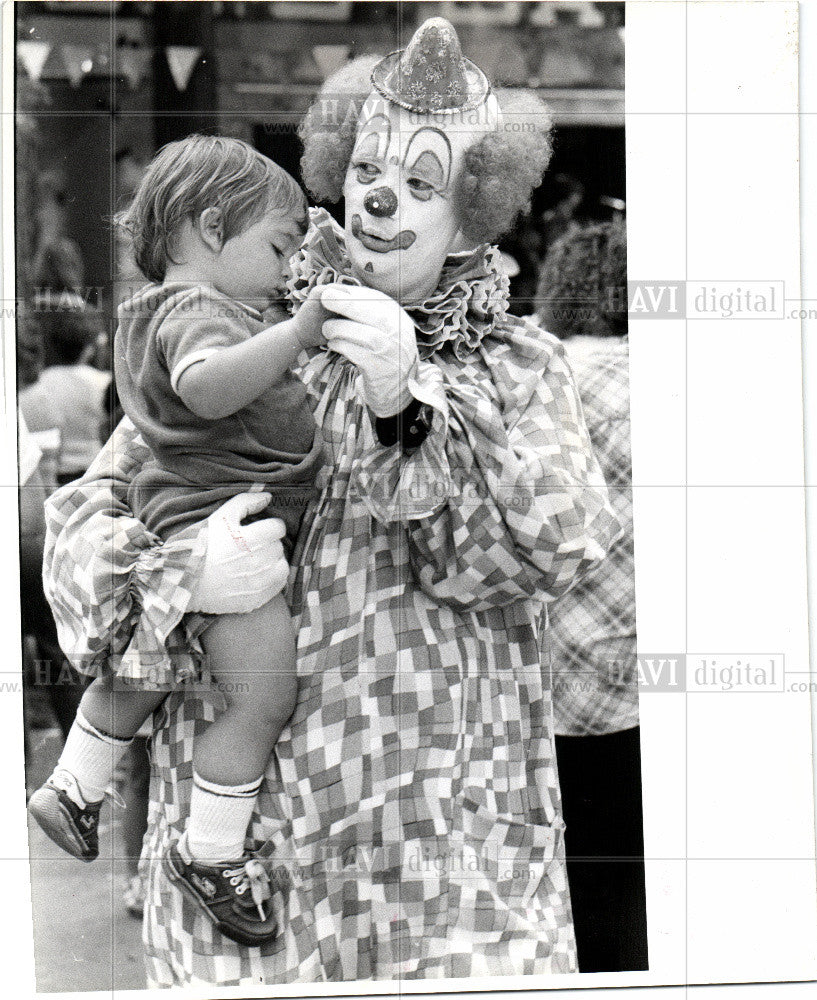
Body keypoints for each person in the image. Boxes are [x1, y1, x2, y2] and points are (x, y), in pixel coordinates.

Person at [43, 19, 617, 985]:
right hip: (255, 853)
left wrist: (407, 407)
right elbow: (81, 533)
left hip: (439, 858)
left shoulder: (519, 370)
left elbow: (535, 556)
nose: (383, 199)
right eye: (367, 172)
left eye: (423, 184)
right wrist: (182, 571)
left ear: (471, 214)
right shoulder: (240, 331)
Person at [30, 135, 329, 947]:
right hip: (218, 519)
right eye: (277, 244)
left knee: (154, 662)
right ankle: (210, 851)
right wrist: (298, 332)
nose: (287, 264)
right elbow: (206, 387)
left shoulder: (180, 310)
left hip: (186, 518)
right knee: (264, 694)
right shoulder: (198, 312)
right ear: (206, 228)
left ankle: (75, 783)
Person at [536, 220, 648, 971]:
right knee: (635, 896)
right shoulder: (669, 375)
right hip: (638, 685)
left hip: (533, 687)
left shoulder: (531, 374)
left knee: (557, 895)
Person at [19, 306, 111, 486]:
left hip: (53, 474)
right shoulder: (103, 382)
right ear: (89, 347)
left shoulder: (38, 385)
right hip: (95, 471)